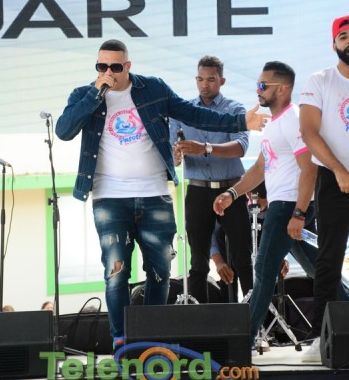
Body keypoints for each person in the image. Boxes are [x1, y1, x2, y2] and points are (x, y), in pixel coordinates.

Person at [55, 39, 269, 350]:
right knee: (116, 271)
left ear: (128, 66)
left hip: (154, 194)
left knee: (159, 271)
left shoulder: (153, 89)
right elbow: (64, 130)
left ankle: (151, 337)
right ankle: (120, 339)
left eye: (115, 66)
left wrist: (240, 121)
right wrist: (94, 94)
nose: (109, 72)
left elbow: (194, 114)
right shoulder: (84, 95)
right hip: (109, 197)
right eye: (102, 66)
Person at [214, 61, 317, 351]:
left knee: (263, 270)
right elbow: (261, 167)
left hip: (288, 206)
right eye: (257, 84)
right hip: (285, 206)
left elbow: (309, 169)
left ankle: (242, 343)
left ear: (282, 89)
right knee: (320, 272)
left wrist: (299, 213)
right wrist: (232, 193)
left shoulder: (293, 119)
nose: (257, 90)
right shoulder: (274, 123)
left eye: (263, 85)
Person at [169, 55, 252, 303]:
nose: (204, 84)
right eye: (200, 79)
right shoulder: (182, 111)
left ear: (222, 81)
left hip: (232, 191)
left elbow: (241, 147)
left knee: (242, 258)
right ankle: (200, 320)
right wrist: (175, 156)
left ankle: (254, 317)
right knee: (198, 263)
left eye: (211, 80)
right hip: (197, 191)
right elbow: (171, 153)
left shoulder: (235, 109)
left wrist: (204, 148)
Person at [299, 15, 349, 363]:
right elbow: (309, 132)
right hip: (333, 179)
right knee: (329, 259)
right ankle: (321, 339)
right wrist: (339, 170)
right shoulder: (319, 80)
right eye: (344, 36)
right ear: (334, 44)